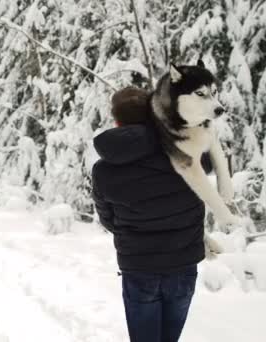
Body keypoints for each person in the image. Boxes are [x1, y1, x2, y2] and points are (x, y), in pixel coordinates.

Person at [91, 87, 208, 342]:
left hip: (139, 267)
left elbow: (108, 219)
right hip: (183, 265)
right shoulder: (187, 153)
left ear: (117, 121)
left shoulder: (104, 170)